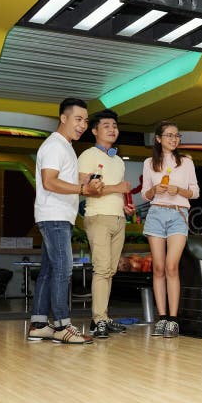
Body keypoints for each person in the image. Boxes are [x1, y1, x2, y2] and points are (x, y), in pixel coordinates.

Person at [27, 98, 102, 344]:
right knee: (63, 269)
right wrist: (82, 188)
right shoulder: (55, 146)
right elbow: (49, 181)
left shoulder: (65, 146)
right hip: (55, 216)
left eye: (86, 121)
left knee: (49, 271)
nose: (82, 125)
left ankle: (39, 324)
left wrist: (84, 184)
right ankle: (62, 325)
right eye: (78, 119)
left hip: (57, 216)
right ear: (63, 118)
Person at [78, 109, 135, 339]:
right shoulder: (88, 155)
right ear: (94, 131)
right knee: (102, 270)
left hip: (118, 218)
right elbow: (84, 186)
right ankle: (98, 320)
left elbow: (114, 191)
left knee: (110, 271)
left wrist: (124, 206)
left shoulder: (118, 160)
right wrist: (117, 189)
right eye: (106, 126)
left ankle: (103, 317)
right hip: (98, 217)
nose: (112, 129)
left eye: (115, 125)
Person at [141, 121, 199, 338]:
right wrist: (155, 189)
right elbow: (145, 195)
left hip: (178, 214)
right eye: (169, 136)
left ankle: (173, 320)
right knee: (158, 268)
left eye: (177, 136)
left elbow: (195, 192)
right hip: (156, 213)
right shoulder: (149, 163)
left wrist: (179, 190)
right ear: (158, 138)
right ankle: (162, 318)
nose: (174, 139)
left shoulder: (186, 162)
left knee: (171, 267)